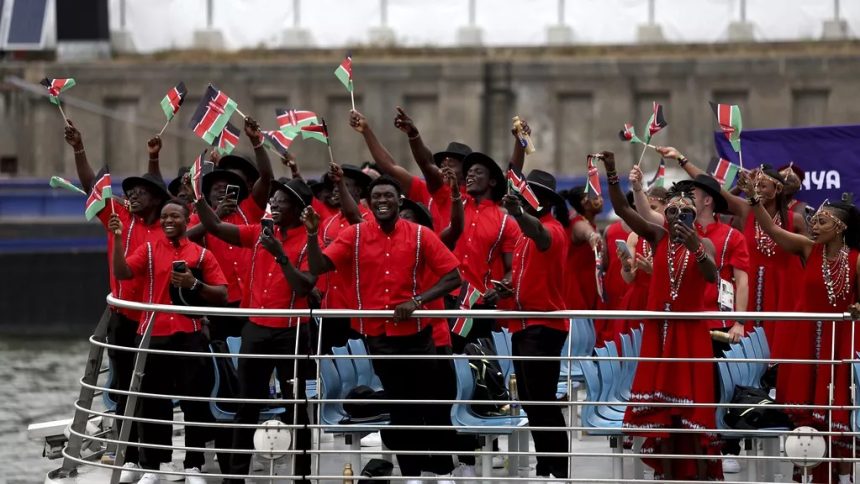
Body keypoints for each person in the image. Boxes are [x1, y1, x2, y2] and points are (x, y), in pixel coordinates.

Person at [303, 175, 462, 484]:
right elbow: (318, 266)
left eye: (388, 195)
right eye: (376, 197)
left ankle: (444, 472)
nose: (382, 201)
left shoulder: (420, 234)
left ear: (399, 200)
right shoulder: (355, 234)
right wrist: (311, 234)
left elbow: (453, 276)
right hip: (380, 338)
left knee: (431, 406)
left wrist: (417, 301)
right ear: (369, 203)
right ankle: (413, 474)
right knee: (401, 410)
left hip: (420, 336)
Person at [598, 151, 723, 480]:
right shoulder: (658, 237)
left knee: (692, 413)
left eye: (685, 211)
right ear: (664, 213)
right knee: (663, 415)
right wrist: (613, 172)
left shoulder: (706, 243)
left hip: (690, 334)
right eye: (672, 210)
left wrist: (696, 245)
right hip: (659, 331)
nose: (678, 215)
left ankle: (697, 475)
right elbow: (624, 209)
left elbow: (712, 276)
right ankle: (665, 475)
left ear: (695, 215)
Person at [64, 120, 173, 480]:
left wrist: (153, 161)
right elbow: (90, 186)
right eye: (131, 192)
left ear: (156, 199)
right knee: (124, 386)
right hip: (121, 316)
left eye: (141, 192)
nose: (133, 195)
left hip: (154, 320)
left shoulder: (166, 228)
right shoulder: (119, 218)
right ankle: (130, 458)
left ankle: (155, 463)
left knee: (153, 391)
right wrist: (79, 148)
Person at [194, 177, 317, 483]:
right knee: (247, 406)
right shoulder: (261, 233)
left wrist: (279, 254)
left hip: (293, 333)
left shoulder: (309, 240)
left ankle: (301, 475)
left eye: (281, 201)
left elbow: (304, 286)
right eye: (272, 200)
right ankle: (235, 477)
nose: (273, 204)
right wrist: (199, 201)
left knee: (296, 407)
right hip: (256, 331)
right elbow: (217, 228)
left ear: (299, 209)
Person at [109, 201, 229, 484]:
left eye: (174, 215)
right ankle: (153, 466)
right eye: (163, 216)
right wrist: (116, 238)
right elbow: (123, 272)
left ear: (188, 219)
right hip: (153, 335)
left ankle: (193, 466)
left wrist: (193, 285)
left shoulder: (201, 255)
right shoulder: (149, 250)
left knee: (194, 402)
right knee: (152, 403)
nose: (167, 220)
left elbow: (222, 295)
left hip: (190, 334)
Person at [750, 194, 860, 484]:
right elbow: (772, 231)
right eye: (813, 220)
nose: (814, 225)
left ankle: (844, 476)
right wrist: (753, 200)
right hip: (806, 343)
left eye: (822, 221)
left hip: (841, 344)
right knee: (808, 415)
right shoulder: (807, 249)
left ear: (840, 228)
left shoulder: (857, 260)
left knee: (838, 411)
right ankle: (807, 473)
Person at [658, 147, 805, 353]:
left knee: (785, 348)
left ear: (777, 190)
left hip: (785, 293)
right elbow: (714, 189)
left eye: (763, 186)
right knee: (752, 350)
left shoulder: (795, 220)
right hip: (752, 290)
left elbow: (810, 256)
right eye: (755, 186)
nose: (758, 190)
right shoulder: (747, 210)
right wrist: (681, 159)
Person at [498, 169, 571, 480]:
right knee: (532, 402)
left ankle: (557, 469)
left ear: (543, 202)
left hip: (543, 325)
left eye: (531, 196)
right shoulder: (526, 235)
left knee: (542, 402)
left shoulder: (551, 230)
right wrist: (506, 291)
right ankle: (547, 468)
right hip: (524, 323)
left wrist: (517, 213)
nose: (525, 200)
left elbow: (540, 235)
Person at [187, 117, 274, 343]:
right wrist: (217, 214)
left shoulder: (249, 209)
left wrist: (257, 142)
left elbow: (267, 177)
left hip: (252, 300)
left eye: (227, 188)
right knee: (223, 357)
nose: (221, 192)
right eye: (216, 189)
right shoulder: (199, 215)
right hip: (219, 301)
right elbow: (185, 238)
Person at [349, 107, 470, 232]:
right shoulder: (425, 190)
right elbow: (390, 167)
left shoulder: (477, 199)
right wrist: (366, 131)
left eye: (452, 164)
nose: (445, 168)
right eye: (443, 164)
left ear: (467, 172)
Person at [315, 162, 372, 350]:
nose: (338, 189)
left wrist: (340, 250)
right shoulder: (328, 222)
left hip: (359, 308)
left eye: (345, 185)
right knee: (328, 362)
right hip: (331, 306)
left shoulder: (370, 219)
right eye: (336, 185)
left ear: (358, 191)